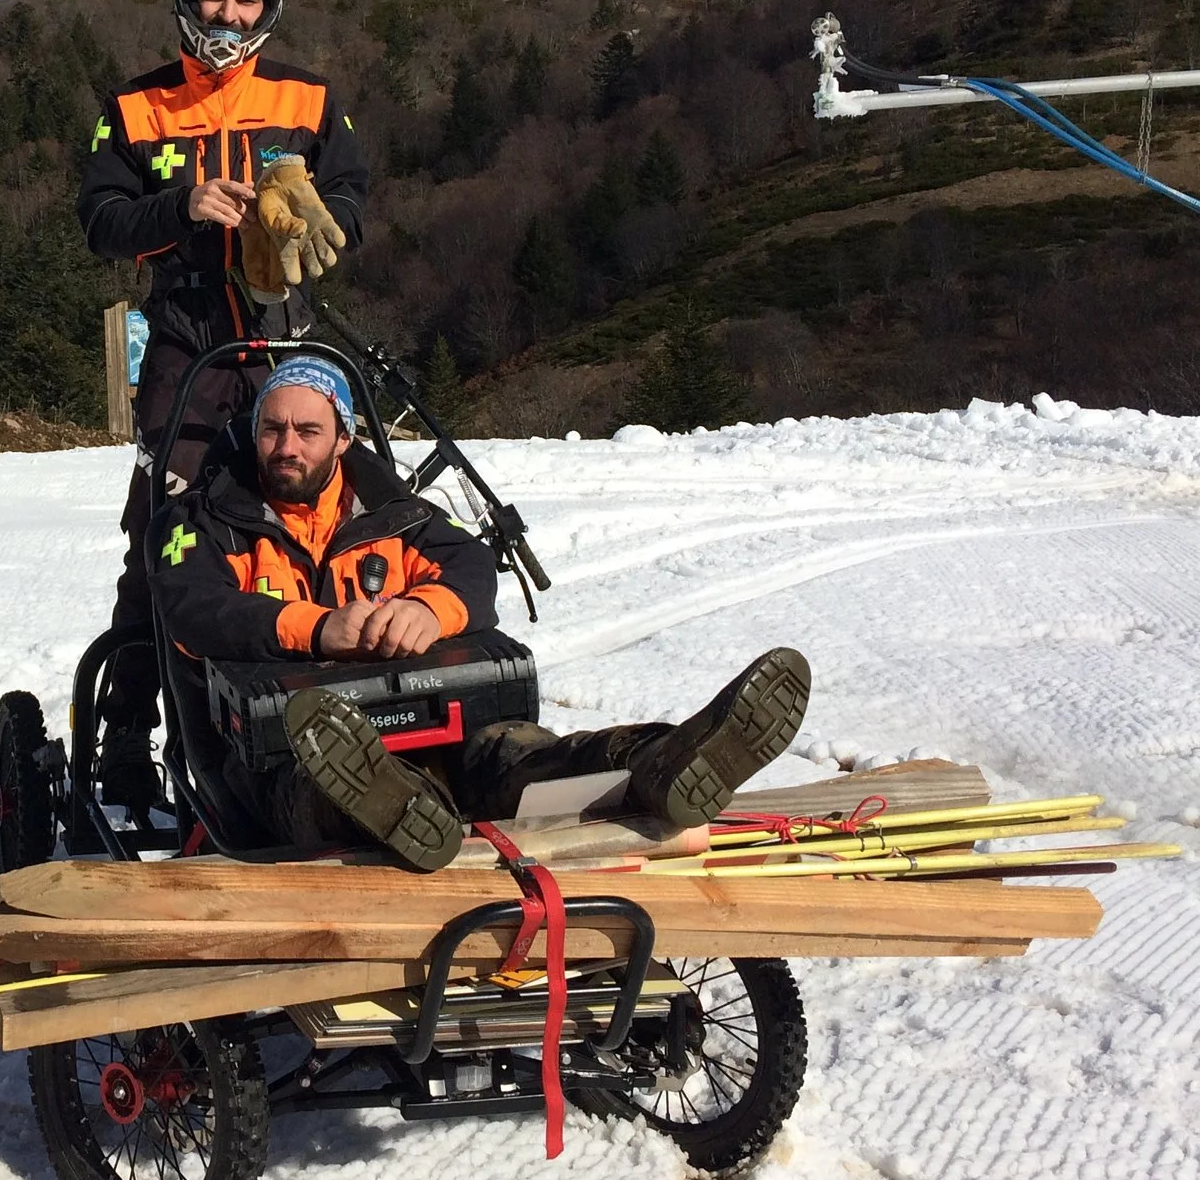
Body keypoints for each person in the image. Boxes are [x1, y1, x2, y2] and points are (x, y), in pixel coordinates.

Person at [150, 356, 814, 870]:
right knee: (324, 786)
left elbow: (468, 565)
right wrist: (317, 626)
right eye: (272, 428)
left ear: (344, 438)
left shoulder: (395, 515)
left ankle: (661, 758)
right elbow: (192, 607)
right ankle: (388, 804)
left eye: (307, 430)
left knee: (518, 757)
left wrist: (428, 609)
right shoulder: (207, 523)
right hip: (279, 762)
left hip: (436, 744)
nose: (287, 445)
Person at [77, 0, 368, 811]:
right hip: (186, 345)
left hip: (290, 340)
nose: (230, 12)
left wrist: (317, 215)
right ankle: (130, 738)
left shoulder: (311, 99)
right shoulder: (132, 108)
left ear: (269, 5)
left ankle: (352, 709)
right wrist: (181, 207)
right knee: (162, 535)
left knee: (344, 510)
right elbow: (99, 220)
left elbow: (354, 200)